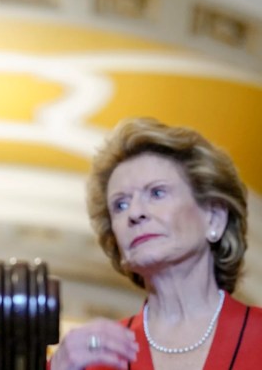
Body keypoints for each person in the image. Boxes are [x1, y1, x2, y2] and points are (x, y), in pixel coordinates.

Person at [49, 117, 261, 369]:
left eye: (157, 193)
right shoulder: (90, 358)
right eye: (120, 204)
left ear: (213, 217)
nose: (135, 213)